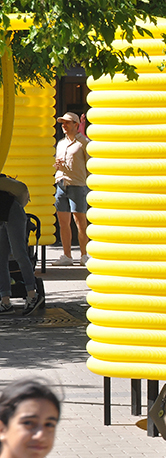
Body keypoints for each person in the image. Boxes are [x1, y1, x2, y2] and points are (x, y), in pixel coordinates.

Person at [0, 174, 45, 316]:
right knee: (1, 259)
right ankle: (5, 301)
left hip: (12, 215)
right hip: (3, 217)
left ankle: (33, 295)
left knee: (19, 254)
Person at [53, 112, 91, 267]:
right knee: (63, 222)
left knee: (80, 222)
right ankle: (67, 255)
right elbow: (57, 164)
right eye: (62, 122)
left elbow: (91, 165)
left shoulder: (84, 143)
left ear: (76, 125)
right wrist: (57, 166)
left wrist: (86, 181)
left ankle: (84, 255)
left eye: (67, 122)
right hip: (61, 184)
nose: (64, 125)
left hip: (77, 185)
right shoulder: (61, 143)